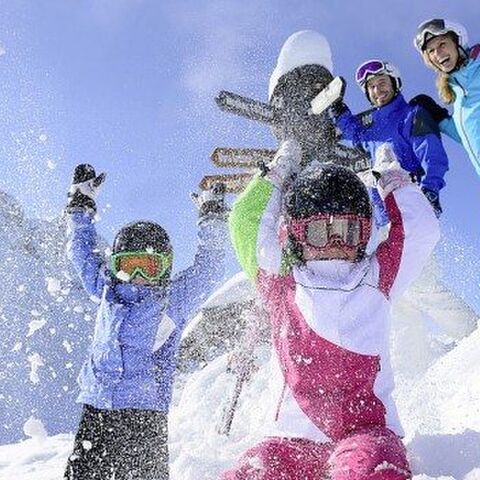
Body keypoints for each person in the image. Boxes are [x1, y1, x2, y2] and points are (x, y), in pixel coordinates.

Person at [220, 140, 439, 480]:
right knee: (253, 471)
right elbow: (245, 222)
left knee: (373, 470)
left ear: (363, 233)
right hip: (292, 438)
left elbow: (420, 230)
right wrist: (277, 173)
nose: (335, 242)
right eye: (320, 231)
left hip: (366, 431)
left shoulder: (378, 274)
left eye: (347, 230)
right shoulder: (282, 278)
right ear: (296, 234)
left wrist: (392, 180)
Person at [63, 164, 227, 480]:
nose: (137, 277)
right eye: (128, 266)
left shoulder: (172, 299)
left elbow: (210, 268)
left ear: (165, 268)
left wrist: (212, 217)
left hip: (144, 415)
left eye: (148, 267)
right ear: (114, 265)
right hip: (96, 408)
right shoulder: (106, 287)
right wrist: (80, 206)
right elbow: (81, 252)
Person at [332, 59, 449, 220]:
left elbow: (432, 155)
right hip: (384, 216)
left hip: (412, 206)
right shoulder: (373, 130)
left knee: (410, 244)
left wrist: (429, 191)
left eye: (382, 82)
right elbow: (355, 135)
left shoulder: (412, 115)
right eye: (371, 87)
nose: (377, 90)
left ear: (394, 83)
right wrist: (339, 111)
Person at [412, 18, 480, 177]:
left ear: (457, 42)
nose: (438, 53)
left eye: (442, 44)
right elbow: (469, 136)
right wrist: (439, 117)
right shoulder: (459, 95)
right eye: (431, 51)